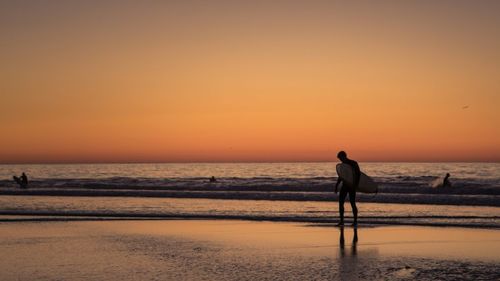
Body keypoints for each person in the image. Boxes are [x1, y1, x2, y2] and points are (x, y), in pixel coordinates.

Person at [335, 151, 360, 226]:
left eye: (340, 158)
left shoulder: (353, 163)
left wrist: (355, 185)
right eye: (339, 159)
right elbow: (341, 176)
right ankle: (341, 221)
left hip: (351, 186)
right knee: (341, 202)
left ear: (344, 156)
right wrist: (337, 185)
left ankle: (355, 221)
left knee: (352, 203)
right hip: (345, 186)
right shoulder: (342, 165)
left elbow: (358, 174)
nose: (340, 160)